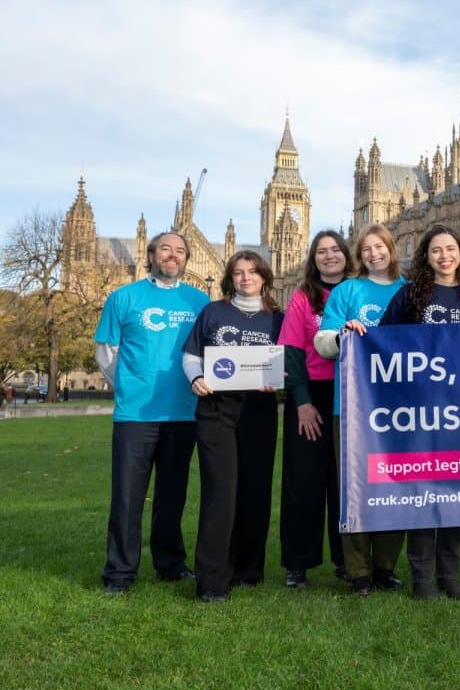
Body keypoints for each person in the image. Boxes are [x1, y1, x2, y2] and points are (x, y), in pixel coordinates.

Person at [95, 231, 209, 595]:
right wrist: (132, 383)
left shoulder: (199, 300)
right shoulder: (123, 298)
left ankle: (170, 563)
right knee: (128, 495)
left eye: (179, 251)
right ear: (151, 255)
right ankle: (120, 571)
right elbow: (106, 353)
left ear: (186, 258)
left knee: (172, 494)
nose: (172, 256)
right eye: (165, 249)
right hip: (136, 414)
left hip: (183, 412)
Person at [379, 224, 460, 601]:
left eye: (450, 249)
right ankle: (421, 577)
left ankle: (449, 574)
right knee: (423, 495)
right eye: (436, 250)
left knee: (455, 495)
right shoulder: (411, 296)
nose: (444, 256)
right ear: (426, 257)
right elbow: (382, 341)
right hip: (419, 412)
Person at [183, 251, 284, 602]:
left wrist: (281, 379)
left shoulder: (277, 318)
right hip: (216, 409)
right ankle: (212, 579)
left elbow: (287, 360)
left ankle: (248, 570)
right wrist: (195, 377)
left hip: (258, 410)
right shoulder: (213, 312)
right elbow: (192, 354)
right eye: (239, 273)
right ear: (230, 278)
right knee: (221, 491)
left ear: (264, 277)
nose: (245, 278)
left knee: (255, 491)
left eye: (253, 272)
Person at [314, 223, 408, 596]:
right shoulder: (347, 291)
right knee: (354, 486)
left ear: (390, 249)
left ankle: (385, 566)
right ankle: (358, 571)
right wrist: (343, 335)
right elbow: (323, 341)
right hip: (352, 403)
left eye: (379, 247)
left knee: (396, 483)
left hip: (401, 406)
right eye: (366, 249)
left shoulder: (408, 290)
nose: (373, 254)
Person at [278, 230, 351, 589]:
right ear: (313, 259)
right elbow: (291, 351)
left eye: (335, 249)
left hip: (352, 395)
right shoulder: (303, 298)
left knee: (345, 481)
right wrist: (302, 402)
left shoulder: (356, 291)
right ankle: (298, 562)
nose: (329, 256)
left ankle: (346, 559)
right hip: (311, 395)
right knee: (303, 480)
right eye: (321, 251)